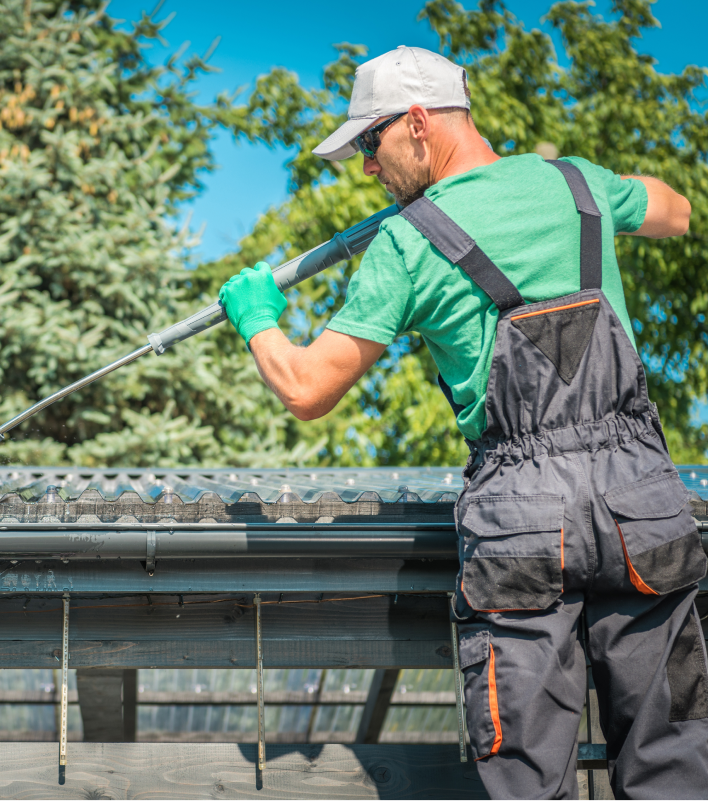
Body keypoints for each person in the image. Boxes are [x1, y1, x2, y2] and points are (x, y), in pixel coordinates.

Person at [218, 45, 703, 800]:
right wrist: (588, 196)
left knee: (524, 781)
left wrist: (257, 320)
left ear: (418, 123)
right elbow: (677, 210)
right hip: (642, 501)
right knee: (678, 764)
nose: (368, 170)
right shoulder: (579, 184)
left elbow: (307, 388)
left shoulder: (408, 243)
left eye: (370, 144)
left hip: (523, 520)